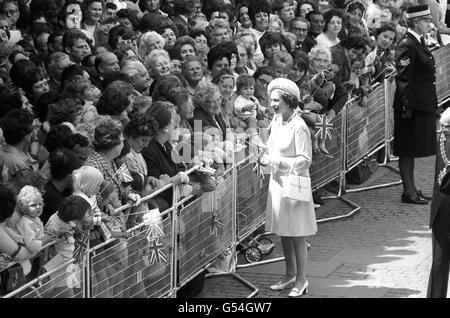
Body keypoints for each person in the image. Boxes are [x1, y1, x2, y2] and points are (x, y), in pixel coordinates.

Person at [261, 78, 317, 297]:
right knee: (284, 231)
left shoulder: (299, 126)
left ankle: (302, 279)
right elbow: (271, 146)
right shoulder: (276, 120)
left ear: (288, 100)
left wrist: (277, 162)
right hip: (278, 183)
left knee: (297, 234)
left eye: (277, 100)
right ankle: (289, 274)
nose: (273, 104)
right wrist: (266, 155)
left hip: (294, 185)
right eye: (272, 99)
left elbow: (305, 159)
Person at [393, 5, 436, 204]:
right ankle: (408, 192)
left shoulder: (417, 42)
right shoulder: (407, 44)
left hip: (419, 104)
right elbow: (403, 79)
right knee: (407, 149)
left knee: (412, 149)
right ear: (414, 22)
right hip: (410, 106)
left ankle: (411, 188)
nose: (429, 23)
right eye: (425, 20)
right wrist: (406, 107)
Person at [427, 108, 450, 297]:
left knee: (440, 261)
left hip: (442, 204)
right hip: (445, 203)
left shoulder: (443, 138)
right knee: (440, 260)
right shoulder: (446, 139)